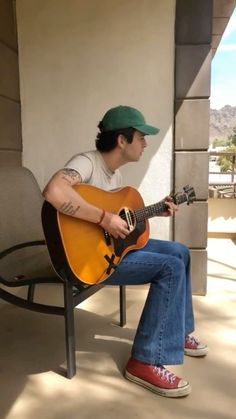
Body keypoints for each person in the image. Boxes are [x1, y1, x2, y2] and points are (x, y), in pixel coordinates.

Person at [43, 105, 208, 398]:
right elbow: (55, 191)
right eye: (141, 137)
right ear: (122, 140)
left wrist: (156, 211)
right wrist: (105, 218)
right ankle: (143, 361)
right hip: (90, 263)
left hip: (114, 252)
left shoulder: (114, 178)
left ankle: (177, 331)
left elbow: (122, 229)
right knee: (168, 268)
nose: (145, 143)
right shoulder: (86, 162)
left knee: (180, 252)